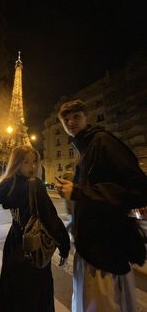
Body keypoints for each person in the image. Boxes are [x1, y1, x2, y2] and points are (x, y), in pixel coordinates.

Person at [57, 99, 147, 312]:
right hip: (91, 246)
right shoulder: (85, 147)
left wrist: (77, 192)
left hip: (104, 250)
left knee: (102, 304)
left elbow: (139, 189)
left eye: (76, 116)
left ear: (86, 117)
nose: (70, 122)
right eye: (65, 119)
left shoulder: (103, 142)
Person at [0, 145, 70, 312]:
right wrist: (64, 246)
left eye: (35, 162)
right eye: (26, 162)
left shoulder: (9, 186)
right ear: (17, 164)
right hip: (32, 246)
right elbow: (51, 219)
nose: (32, 166)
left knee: (14, 292)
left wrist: (11, 175)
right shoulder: (34, 185)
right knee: (36, 294)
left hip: (13, 244)